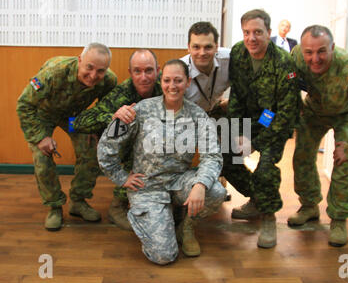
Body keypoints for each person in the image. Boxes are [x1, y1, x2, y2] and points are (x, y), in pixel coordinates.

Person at [97, 59, 226, 265]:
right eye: (167, 80)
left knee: (216, 191)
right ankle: (148, 214)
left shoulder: (197, 115)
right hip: (147, 187)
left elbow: (212, 155)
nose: (172, 86)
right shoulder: (141, 110)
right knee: (164, 256)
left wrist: (200, 184)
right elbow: (106, 147)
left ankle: (186, 227)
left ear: (188, 82)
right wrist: (122, 177)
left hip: (179, 181)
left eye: (178, 80)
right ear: (161, 81)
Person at [287, 25, 348, 247]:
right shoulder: (296, 58)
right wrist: (296, 107)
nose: (315, 58)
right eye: (309, 52)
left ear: (332, 47)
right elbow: (287, 85)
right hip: (314, 110)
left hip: (346, 115)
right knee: (301, 156)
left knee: (343, 162)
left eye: (322, 51)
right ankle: (309, 205)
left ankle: (339, 219)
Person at [16, 42, 117, 231]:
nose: (94, 75)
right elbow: (24, 105)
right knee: (42, 157)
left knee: (91, 151)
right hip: (43, 114)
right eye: (89, 67)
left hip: (73, 116)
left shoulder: (109, 80)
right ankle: (54, 206)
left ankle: (78, 201)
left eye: (100, 71)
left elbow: (105, 108)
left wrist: (96, 130)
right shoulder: (54, 72)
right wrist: (40, 137)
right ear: (80, 60)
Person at [223, 9, 300, 248]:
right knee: (226, 159)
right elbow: (236, 96)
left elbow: (286, 113)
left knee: (266, 168)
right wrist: (235, 132)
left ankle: (268, 217)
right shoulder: (238, 52)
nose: (251, 38)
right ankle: (257, 200)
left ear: (269, 32)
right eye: (246, 32)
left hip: (274, 122)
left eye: (257, 32)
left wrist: (255, 143)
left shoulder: (284, 62)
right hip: (246, 120)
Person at [73, 49, 161, 230]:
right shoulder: (121, 93)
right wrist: (112, 116)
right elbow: (78, 122)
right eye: (137, 71)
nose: (143, 77)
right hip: (127, 148)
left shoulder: (165, 87)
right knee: (138, 144)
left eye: (149, 71)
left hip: (157, 143)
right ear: (130, 73)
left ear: (158, 71)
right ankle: (118, 205)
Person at [180, 21, 230, 118]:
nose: (202, 53)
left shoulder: (231, 59)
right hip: (189, 117)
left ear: (216, 47)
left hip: (216, 111)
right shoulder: (179, 71)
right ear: (188, 47)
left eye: (208, 47)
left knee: (244, 124)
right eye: (196, 47)